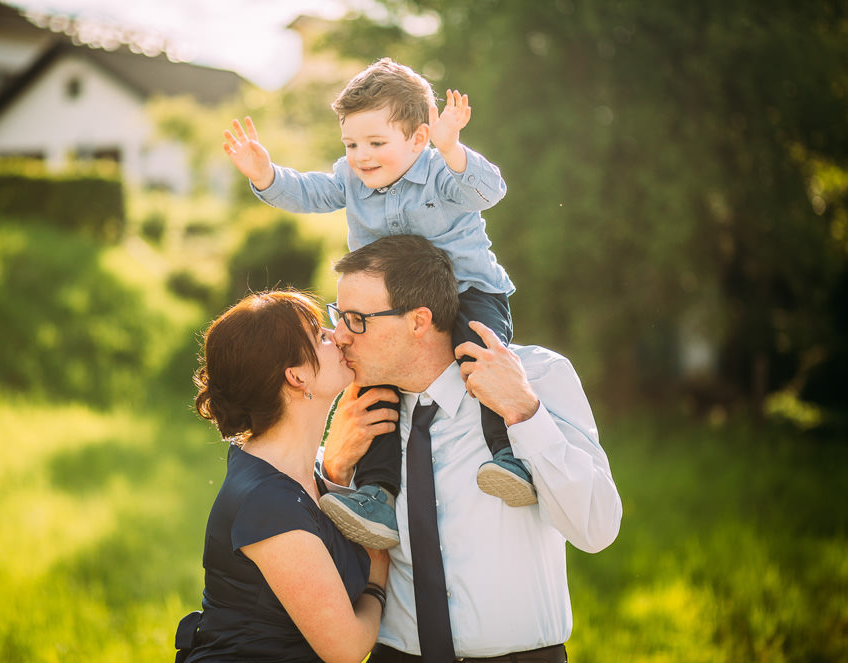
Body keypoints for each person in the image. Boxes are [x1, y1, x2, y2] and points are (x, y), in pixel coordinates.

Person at [222, 57, 533, 552]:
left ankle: (510, 457)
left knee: (481, 356)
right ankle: (378, 493)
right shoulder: (350, 178)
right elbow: (308, 192)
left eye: (375, 143)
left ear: (417, 139)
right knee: (372, 380)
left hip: (468, 289)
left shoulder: (439, 172)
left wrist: (452, 148)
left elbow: (488, 191)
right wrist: (266, 176)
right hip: (390, 308)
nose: (361, 156)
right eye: (351, 144)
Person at [320, 235, 623, 661]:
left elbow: (596, 529)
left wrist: (524, 412)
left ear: (418, 321)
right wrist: (333, 467)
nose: (340, 337)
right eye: (338, 316)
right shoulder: (355, 407)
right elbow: (324, 566)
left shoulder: (536, 375)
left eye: (356, 319)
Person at [175, 290, 389, 663]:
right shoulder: (268, 503)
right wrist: (378, 578)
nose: (338, 335)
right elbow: (347, 648)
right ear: (296, 376)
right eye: (320, 336)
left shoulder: (300, 470)